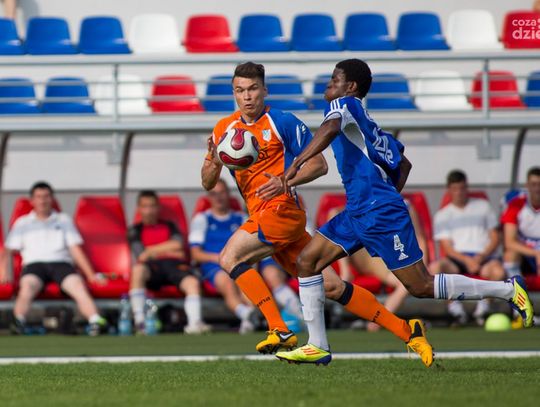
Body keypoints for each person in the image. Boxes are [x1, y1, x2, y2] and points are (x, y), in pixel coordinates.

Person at [278, 58, 534, 364]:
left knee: (420, 285)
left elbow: (331, 128)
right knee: (307, 262)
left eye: (335, 79)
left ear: (351, 86)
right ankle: (318, 346)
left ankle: (508, 290)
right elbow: (405, 164)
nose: (329, 84)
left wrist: (297, 162)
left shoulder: (342, 105)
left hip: (377, 212)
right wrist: (384, 196)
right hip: (360, 210)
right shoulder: (369, 124)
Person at [202, 61, 433, 367]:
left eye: (253, 89)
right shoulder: (224, 129)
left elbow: (318, 165)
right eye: (240, 90)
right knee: (331, 286)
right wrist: (214, 159)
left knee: (229, 257)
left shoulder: (282, 121)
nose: (247, 97)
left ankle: (279, 329)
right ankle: (407, 330)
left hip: (282, 210)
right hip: (261, 214)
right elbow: (207, 183)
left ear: (264, 90)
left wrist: (285, 181)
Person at [189, 179, 303, 333]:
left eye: (222, 193)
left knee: (248, 281)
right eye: (214, 194)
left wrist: (244, 264)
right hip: (215, 266)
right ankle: (248, 315)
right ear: (208, 197)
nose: (218, 197)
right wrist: (221, 259)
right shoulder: (202, 219)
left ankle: (258, 319)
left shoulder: (241, 218)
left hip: (241, 263)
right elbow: (195, 254)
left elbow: (252, 247)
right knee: (227, 282)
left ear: (229, 194)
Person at [0, 181, 108, 336]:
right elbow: (8, 250)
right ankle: (19, 321)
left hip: (61, 264)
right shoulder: (22, 222)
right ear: (32, 200)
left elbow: (75, 249)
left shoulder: (63, 220)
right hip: (34, 265)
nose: (42, 201)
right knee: (27, 286)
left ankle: (95, 320)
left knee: (77, 285)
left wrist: (91, 275)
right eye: (39, 197)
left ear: (52, 199)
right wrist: (3, 272)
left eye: (46, 196)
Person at [329, 198, 429, 332]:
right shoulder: (366, 200)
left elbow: (420, 239)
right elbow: (336, 214)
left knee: (410, 281)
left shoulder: (406, 205)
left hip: (395, 256)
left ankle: (381, 319)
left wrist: (423, 265)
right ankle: (346, 271)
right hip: (370, 255)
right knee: (335, 215)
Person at [128, 190, 210, 335]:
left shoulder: (170, 226)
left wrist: (151, 250)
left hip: (174, 266)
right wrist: (168, 249)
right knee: (138, 270)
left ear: (158, 207)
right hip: (152, 268)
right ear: (139, 209)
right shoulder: (134, 230)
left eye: (152, 206)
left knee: (192, 282)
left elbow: (179, 247)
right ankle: (140, 322)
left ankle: (194, 323)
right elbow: (141, 255)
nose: (149, 211)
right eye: (145, 206)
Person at [430, 170, 505, 326]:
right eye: (455, 189)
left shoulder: (483, 206)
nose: (459, 192)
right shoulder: (443, 215)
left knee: (499, 272)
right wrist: (467, 260)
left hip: (484, 257)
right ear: (449, 190)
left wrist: (481, 257)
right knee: (435, 268)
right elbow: (447, 248)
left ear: (467, 187)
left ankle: (482, 309)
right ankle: (455, 310)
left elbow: (495, 237)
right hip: (458, 259)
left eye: (462, 188)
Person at [501, 167, 540, 277]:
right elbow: (509, 242)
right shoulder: (516, 205)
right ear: (527, 185)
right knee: (510, 255)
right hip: (525, 254)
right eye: (534, 184)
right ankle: (515, 286)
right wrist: (536, 253)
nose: (537, 188)